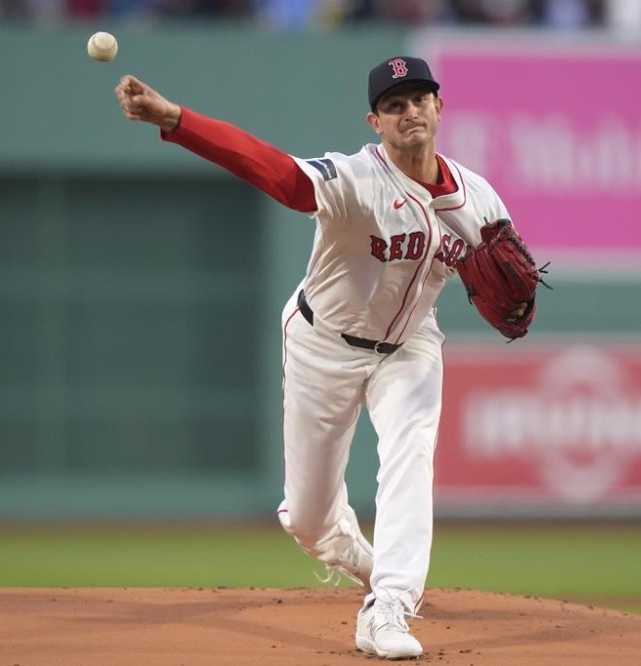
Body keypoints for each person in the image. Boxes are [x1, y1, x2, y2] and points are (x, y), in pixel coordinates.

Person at [115, 55, 523, 660]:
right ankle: (361, 559)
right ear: (375, 121)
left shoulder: (480, 199)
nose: (409, 110)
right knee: (307, 521)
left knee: (411, 452)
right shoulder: (356, 177)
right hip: (323, 345)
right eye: (394, 104)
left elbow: (513, 280)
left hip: (410, 347)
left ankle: (388, 607)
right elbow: (278, 174)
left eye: (419, 99)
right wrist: (178, 120)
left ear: (439, 107)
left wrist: (514, 303)